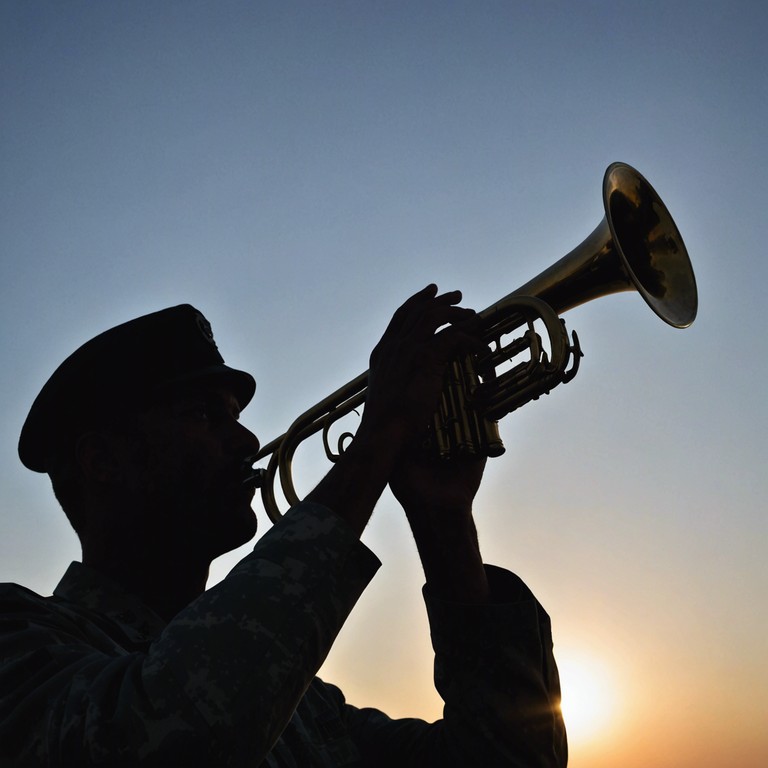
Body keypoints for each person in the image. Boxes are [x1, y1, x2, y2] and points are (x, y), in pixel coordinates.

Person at [0, 285, 567, 767]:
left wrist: (444, 523)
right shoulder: (21, 640)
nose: (246, 442)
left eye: (237, 417)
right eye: (201, 415)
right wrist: (374, 445)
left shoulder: (307, 709)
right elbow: (168, 730)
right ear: (102, 460)